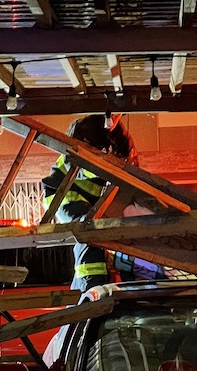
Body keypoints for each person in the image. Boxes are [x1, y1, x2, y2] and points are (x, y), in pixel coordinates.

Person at [41, 114, 138, 293]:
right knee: (90, 231)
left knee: (106, 232)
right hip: (65, 196)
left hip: (88, 200)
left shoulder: (120, 141)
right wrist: (111, 169)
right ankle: (92, 286)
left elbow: (131, 170)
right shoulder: (86, 138)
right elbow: (87, 167)